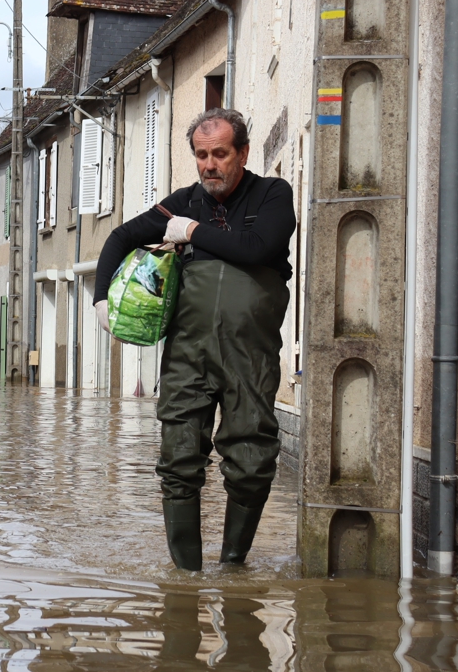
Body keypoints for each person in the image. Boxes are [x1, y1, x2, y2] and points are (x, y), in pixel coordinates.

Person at [92, 108, 296, 571]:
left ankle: (232, 565)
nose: (210, 165)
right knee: (179, 462)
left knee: (250, 461)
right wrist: (101, 300)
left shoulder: (272, 194)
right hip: (188, 355)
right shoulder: (185, 199)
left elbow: (258, 249)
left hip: (250, 356)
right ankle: (185, 578)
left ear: (242, 153)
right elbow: (121, 236)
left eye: (220, 154)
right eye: (201, 155)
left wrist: (191, 232)